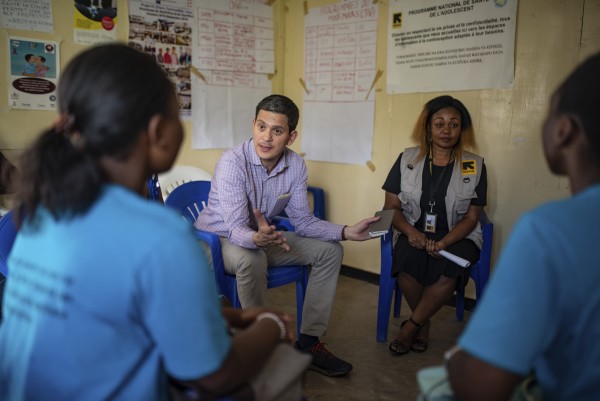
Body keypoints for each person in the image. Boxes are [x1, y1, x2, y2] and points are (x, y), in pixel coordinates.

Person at [0, 44, 310, 401]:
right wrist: (271, 323)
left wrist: (224, 315)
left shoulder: (41, 212)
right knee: (282, 365)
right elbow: (215, 376)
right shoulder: (160, 236)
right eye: (178, 116)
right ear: (158, 131)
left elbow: (107, 311)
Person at [445, 52, 600, 401]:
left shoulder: (551, 230)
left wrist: (457, 360)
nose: (446, 130)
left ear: (563, 131)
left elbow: (482, 386)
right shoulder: (410, 160)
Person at [194, 94, 379, 377]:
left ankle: (308, 342)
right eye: (261, 127)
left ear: (290, 137)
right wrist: (257, 238)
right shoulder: (232, 162)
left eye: (277, 131)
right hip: (214, 241)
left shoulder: (295, 166)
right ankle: (260, 347)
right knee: (252, 258)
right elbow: (234, 229)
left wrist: (345, 232)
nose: (266, 138)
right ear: (253, 125)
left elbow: (303, 222)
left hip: (260, 237)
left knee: (330, 250)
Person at [381, 95, 487, 356]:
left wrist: (445, 242)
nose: (446, 130)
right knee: (405, 258)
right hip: (412, 229)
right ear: (428, 127)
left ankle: (412, 325)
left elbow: (473, 217)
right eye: (439, 123)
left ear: (462, 129)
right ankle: (424, 324)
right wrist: (411, 232)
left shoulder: (474, 165)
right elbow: (391, 207)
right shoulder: (407, 159)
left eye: (454, 124)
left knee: (451, 266)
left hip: (457, 234)